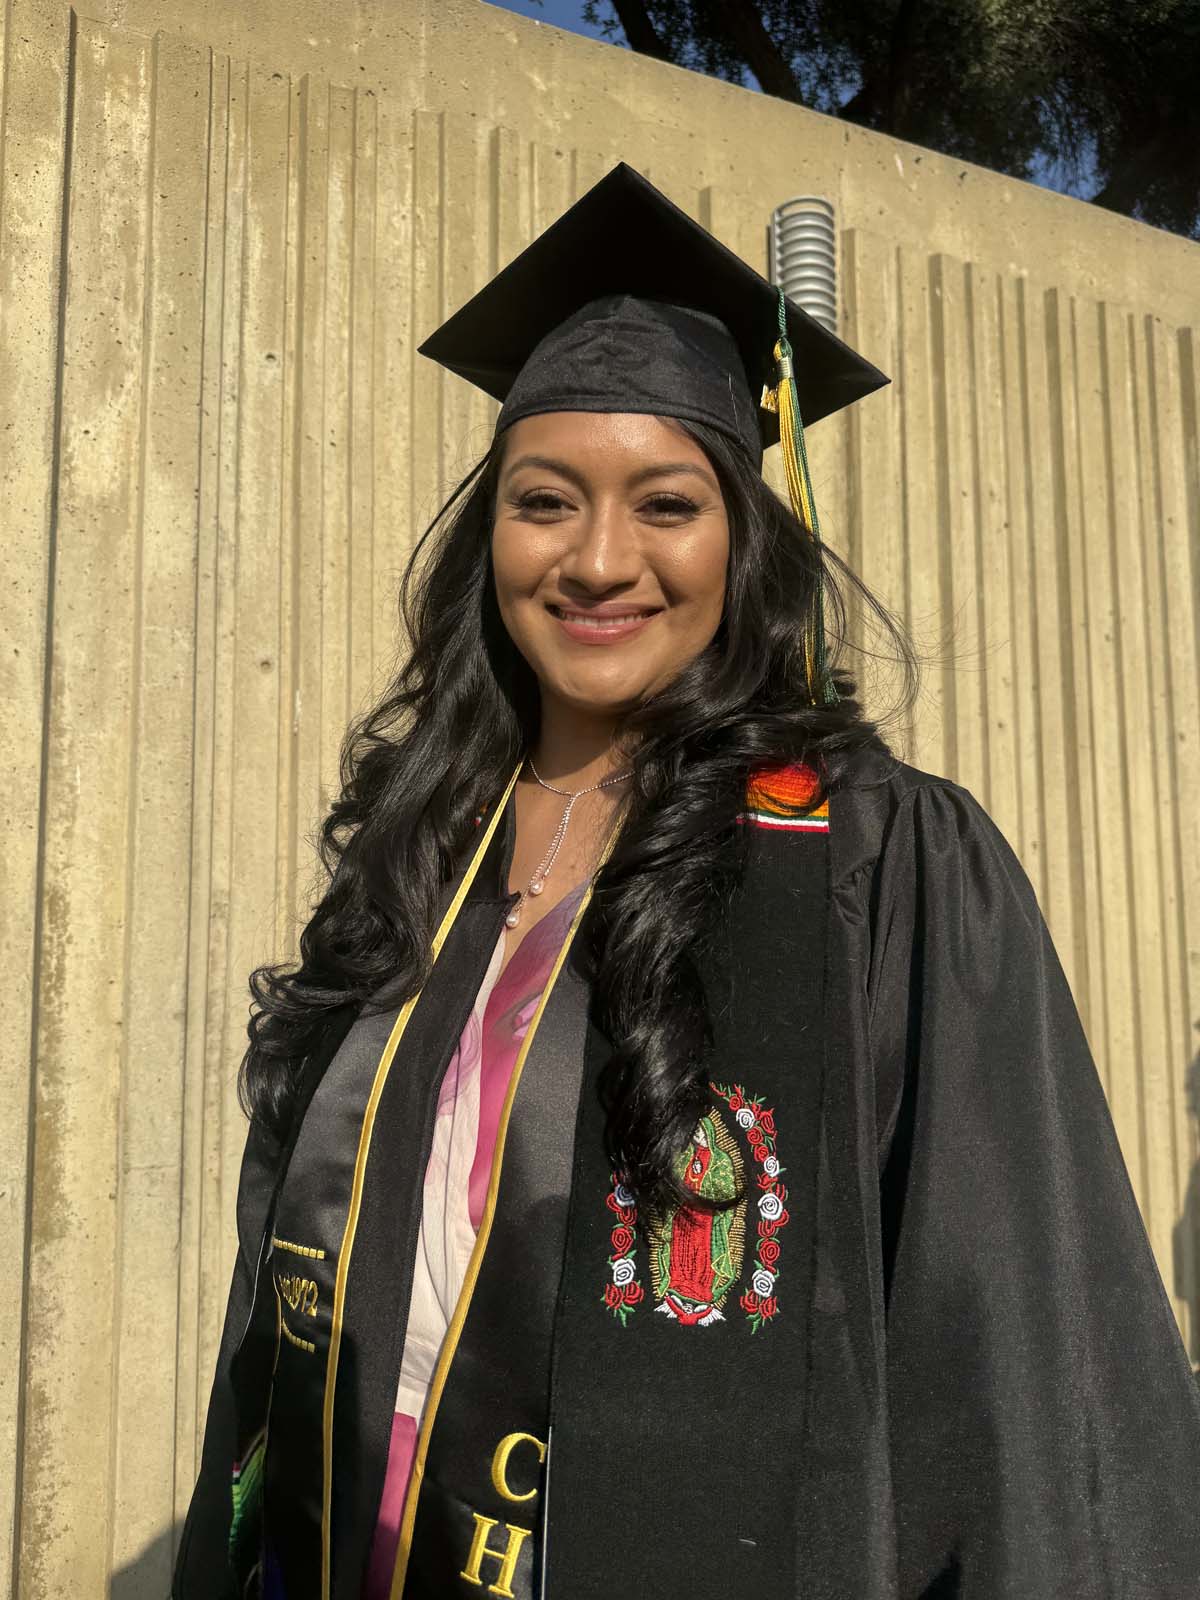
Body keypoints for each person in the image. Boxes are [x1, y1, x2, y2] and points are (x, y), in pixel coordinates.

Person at [173, 163, 1200, 1600]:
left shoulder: (877, 865)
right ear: (489, 539)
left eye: (667, 503)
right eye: (545, 502)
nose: (599, 561)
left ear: (743, 539)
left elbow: (1018, 1364)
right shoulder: (421, 852)